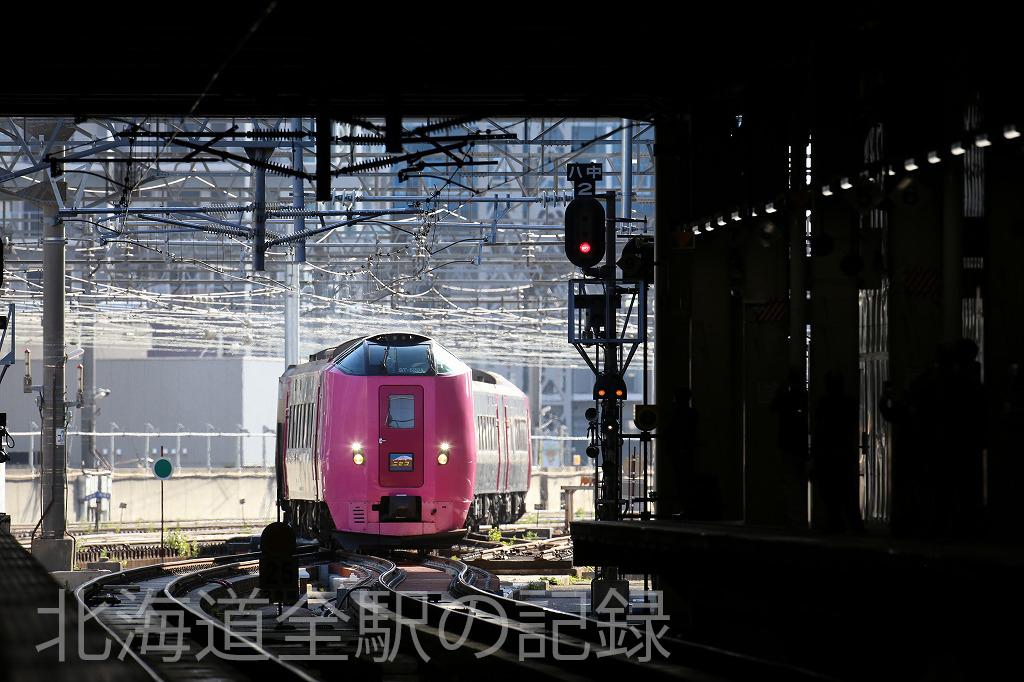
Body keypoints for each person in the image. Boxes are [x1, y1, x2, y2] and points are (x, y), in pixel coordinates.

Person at [811, 370, 864, 533]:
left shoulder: (824, 402)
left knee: (829, 491)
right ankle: (855, 525)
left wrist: (815, 450)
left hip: (828, 453)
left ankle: (837, 523)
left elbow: (819, 427)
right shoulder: (849, 402)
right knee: (846, 491)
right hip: (844, 452)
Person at [771, 367, 809, 528]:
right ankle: (805, 517)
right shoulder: (806, 397)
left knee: (789, 484)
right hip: (802, 445)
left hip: (786, 444)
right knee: (803, 481)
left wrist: (780, 391)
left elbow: (772, 408)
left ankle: (794, 519)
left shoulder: (784, 397)